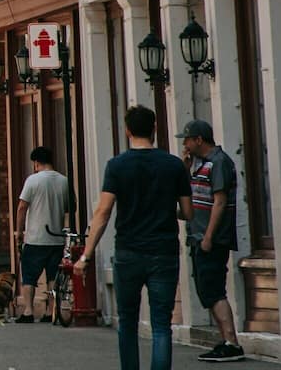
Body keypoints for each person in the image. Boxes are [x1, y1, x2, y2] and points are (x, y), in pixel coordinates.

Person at [74, 106, 192, 370]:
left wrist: (86, 255)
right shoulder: (173, 165)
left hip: (128, 252)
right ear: (154, 129)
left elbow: (103, 212)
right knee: (162, 325)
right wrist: (163, 208)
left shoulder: (117, 166)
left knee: (127, 322)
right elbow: (187, 212)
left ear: (127, 130)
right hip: (164, 252)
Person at [180, 120, 245, 362]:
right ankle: (225, 339)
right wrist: (185, 168)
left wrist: (208, 236)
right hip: (197, 237)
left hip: (211, 240)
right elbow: (192, 198)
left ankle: (232, 342)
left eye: (187, 140)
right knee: (206, 289)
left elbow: (219, 201)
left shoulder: (219, 162)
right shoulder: (201, 164)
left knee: (214, 289)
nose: (184, 145)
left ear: (199, 140)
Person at [13, 146, 70, 324]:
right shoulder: (64, 181)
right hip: (56, 237)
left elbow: (22, 207)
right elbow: (69, 207)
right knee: (53, 275)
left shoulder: (33, 180)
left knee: (29, 275)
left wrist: (19, 232)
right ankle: (51, 311)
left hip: (36, 237)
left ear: (36, 162)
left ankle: (29, 311)